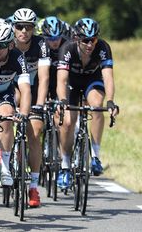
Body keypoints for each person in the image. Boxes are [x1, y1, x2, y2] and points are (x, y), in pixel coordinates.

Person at [56, 18, 119, 189]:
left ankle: (96, 156)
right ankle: (65, 166)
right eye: (86, 40)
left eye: (93, 40)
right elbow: (61, 80)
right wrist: (62, 101)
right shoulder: (67, 49)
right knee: (68, 122)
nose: (90, 44)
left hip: (93, 80)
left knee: (97, 105)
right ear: (77, 38)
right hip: (72, 83)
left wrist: (111, 101)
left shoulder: (103, 48)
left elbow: (108, 77)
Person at [13, 8, 51, 208]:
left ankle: (33, 187)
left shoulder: (41, 44)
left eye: (28, 27)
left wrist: (40, 105)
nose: (24, 31)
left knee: (35, 133)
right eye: (19, 26)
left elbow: (44, 77)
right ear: (14, 27)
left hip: (34, 89)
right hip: (13, 86)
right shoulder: (7, 42)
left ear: (33, 29)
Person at [0, 22, 31, 186]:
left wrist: (24, 113)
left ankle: (5, 166)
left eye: (2, 45)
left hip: (3, 94)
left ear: (11, 45)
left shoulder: (18, 57)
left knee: (6, 117)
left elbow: (25, 89)